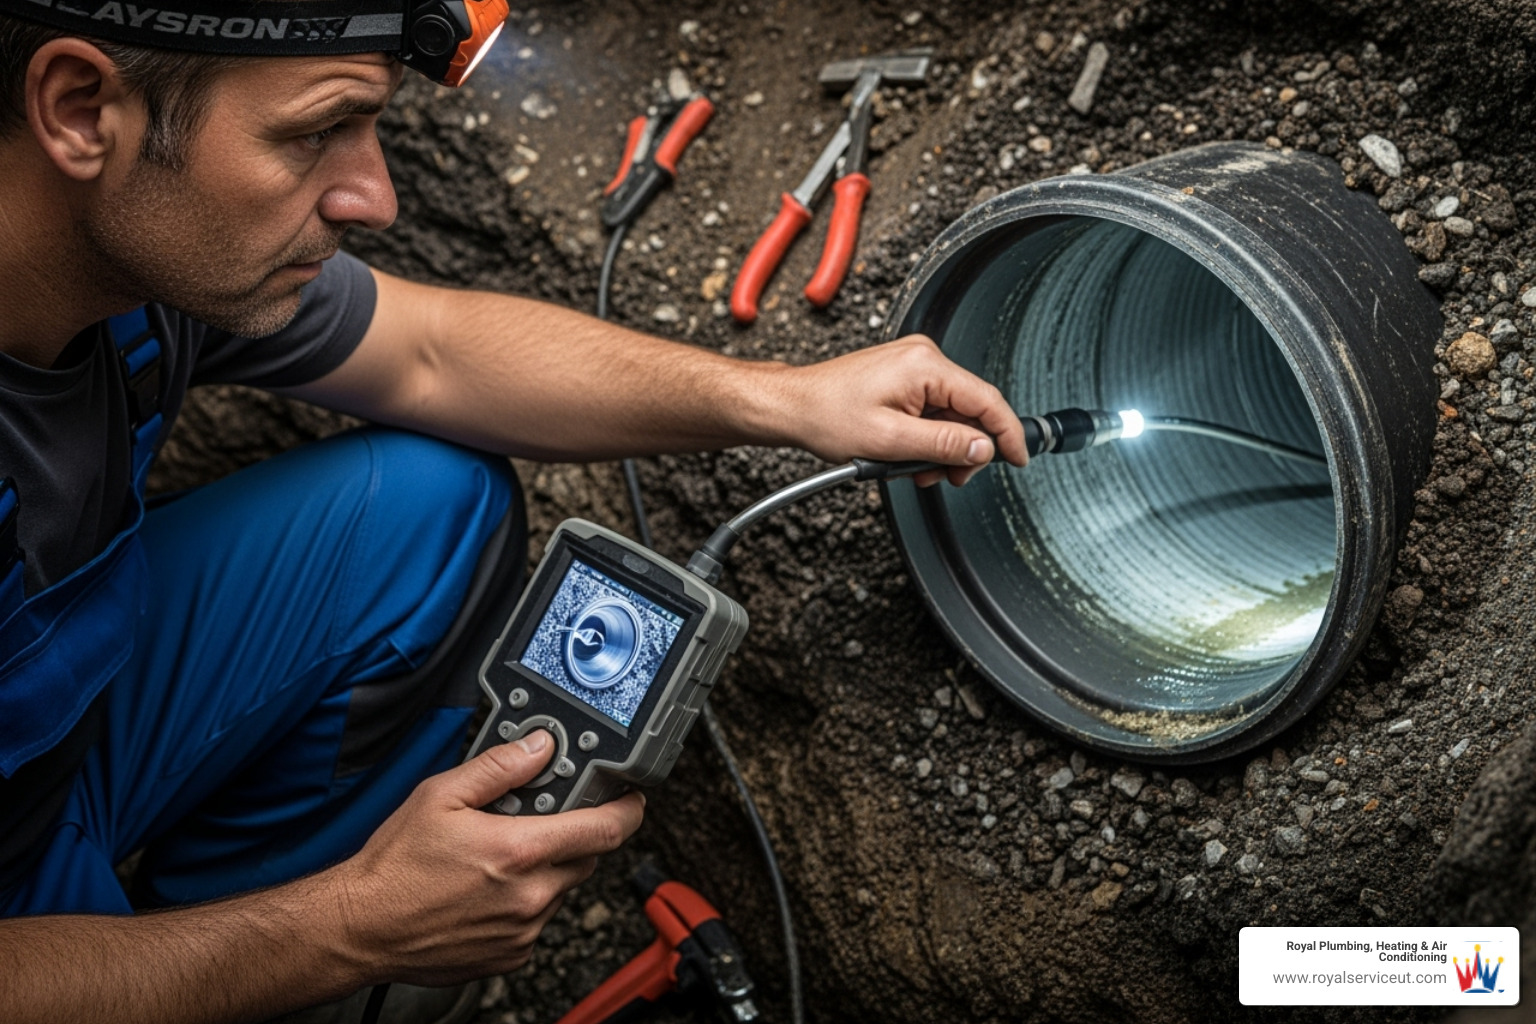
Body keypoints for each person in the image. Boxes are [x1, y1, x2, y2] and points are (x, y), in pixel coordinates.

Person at [0, 3, 1028, 1021]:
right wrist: (345, 923)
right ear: (82, 108)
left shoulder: (143, 259)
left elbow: (431, 349)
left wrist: (784, 400)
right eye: (312, 134)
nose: (375, 198)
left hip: (53, 742)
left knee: (424, 512)